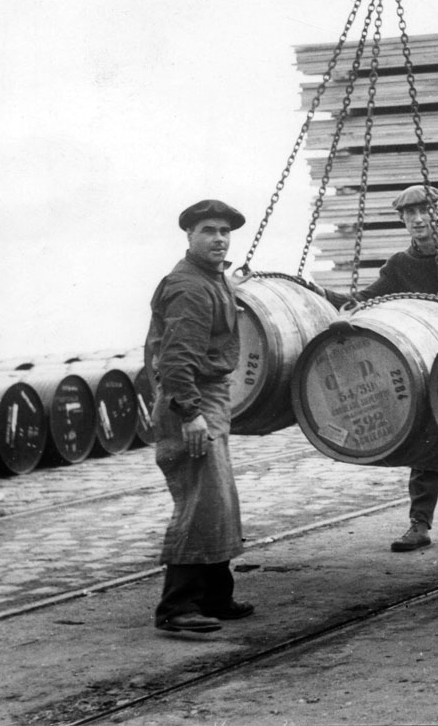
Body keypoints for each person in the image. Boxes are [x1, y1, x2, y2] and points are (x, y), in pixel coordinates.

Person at [319, 184, 438, 552]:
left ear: (435, 212)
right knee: (426, 437)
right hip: (426, 358)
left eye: (424, 211)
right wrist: (322, 294)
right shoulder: (400, 265)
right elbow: (364, 299)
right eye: (410, 214)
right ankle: (419, 524)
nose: (418, 219)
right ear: (403, 219)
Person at [145, 199, 254, 634]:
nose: (219, 238)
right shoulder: (189, 286)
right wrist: (190, 414)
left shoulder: (213, 278)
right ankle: (177, 607)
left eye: (225, 231)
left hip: (209, 398)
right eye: (209, 230)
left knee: (218, 499)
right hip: (187, 400)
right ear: (189, 236)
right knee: (199, 499)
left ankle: (215, 596)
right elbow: (175, 358)